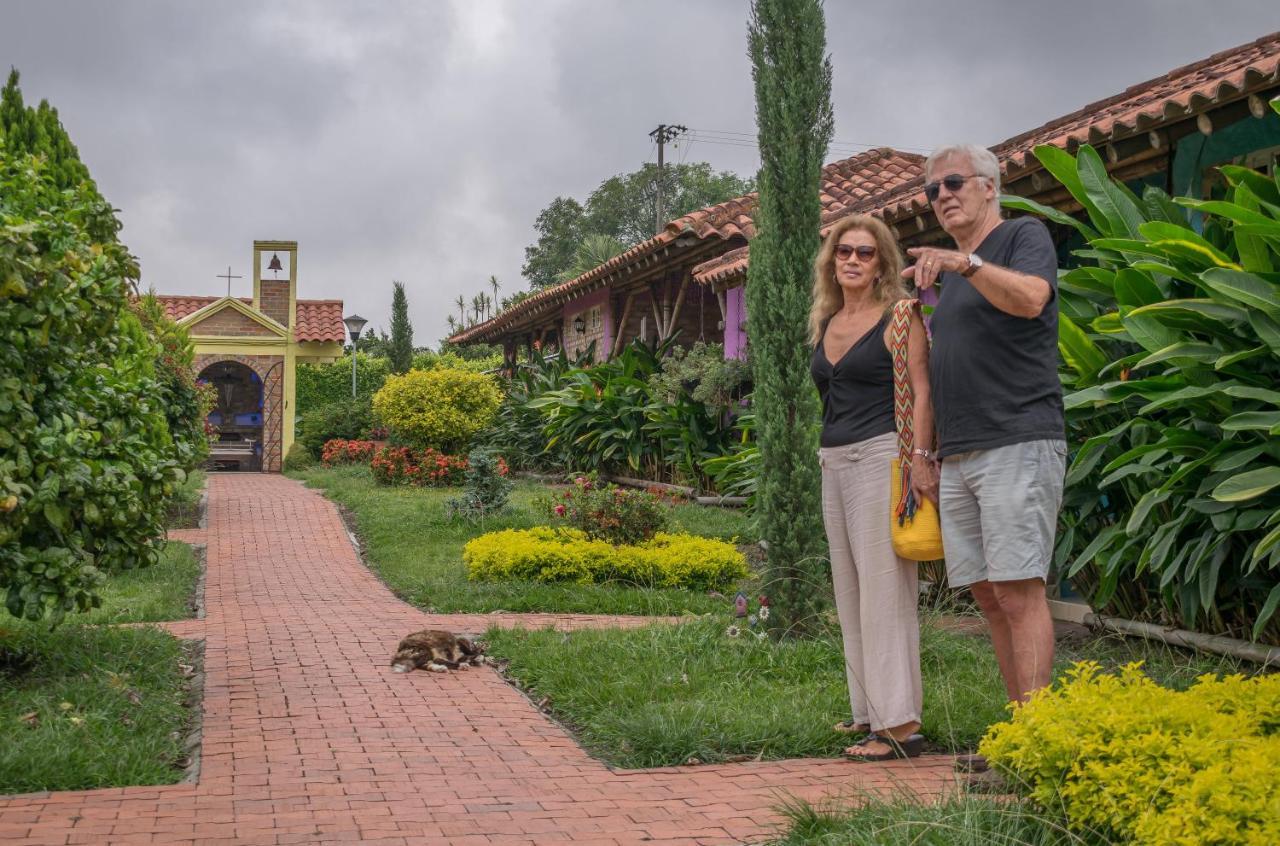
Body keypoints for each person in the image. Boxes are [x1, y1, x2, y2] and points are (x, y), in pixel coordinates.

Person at [903, 143, 1065, 719]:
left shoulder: (1023, 237)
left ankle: (1037, 738)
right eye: (931, 191)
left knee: (1020, 589)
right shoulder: (951, 278)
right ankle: (1016, 729)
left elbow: (1031, 299)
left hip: (1017, 438)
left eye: (953, 183)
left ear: (989, 185)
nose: (941, 196)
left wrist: (964, 263)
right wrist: (925, 453)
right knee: (989, 596)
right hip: (961, 453)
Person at [809, 214, 937, 761]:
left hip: (882, 455)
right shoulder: (827, 320)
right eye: (844, 253)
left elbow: (923, 391)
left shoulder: (900, 316)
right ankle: (868, 711)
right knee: (851, 591)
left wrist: (920, 461)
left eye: (865, 253)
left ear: (882, 261)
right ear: (831, 262)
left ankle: (899, 724)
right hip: (833, 460)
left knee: (885, 592)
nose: (854, 261)